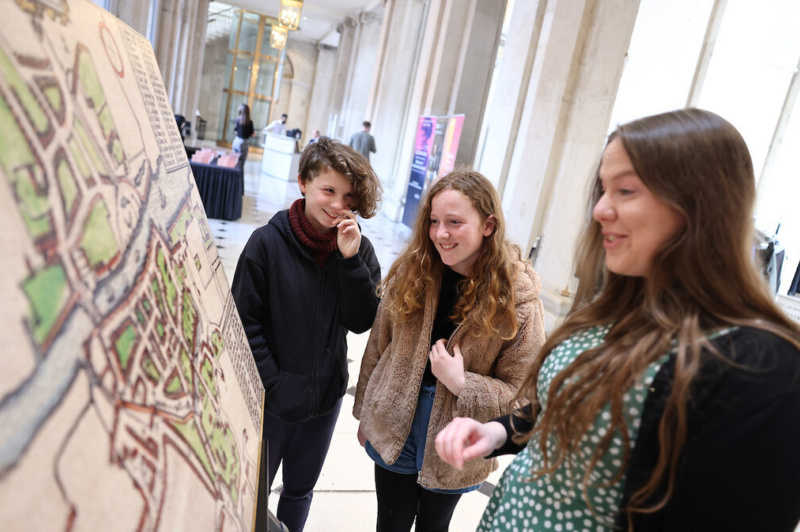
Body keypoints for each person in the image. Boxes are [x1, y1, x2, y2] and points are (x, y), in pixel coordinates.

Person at [435, 108, 800, 531]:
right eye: (603, 191)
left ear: (701, 203)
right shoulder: (620, 305)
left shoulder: (764, 367)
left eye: (626, 190)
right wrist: (499, 434)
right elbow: (574, 406)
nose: (600, 210)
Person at [353, 170, 547, 531]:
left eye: (455, 222)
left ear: (488, 225)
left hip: (457, 431)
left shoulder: (516, 299)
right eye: (435, 221)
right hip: (395, 417)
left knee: (433, 525)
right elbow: (379, 347)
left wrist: (463, 383)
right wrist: (365, 411)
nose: (441, 233)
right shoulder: (414, 271)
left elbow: (525, 397)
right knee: (389, 522)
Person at [232, 136, 383, 532]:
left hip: (324, 399)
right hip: (271, 401)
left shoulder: (358, 250)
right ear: (303, 183)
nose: (338, 205)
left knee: (299, 491)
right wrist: (275, 385)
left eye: (348, 197)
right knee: (252, 491)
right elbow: (244, 323)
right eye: (328, 191)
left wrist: (350, 262)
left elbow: (362, 320)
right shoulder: (265, 244)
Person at [232, 103, 254, 169]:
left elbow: (235, 131)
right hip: (244, 142)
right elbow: (251, 133)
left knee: (234, 160)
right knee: (241, 163)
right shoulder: (250, 122)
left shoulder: (238, 119)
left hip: (236, 141)